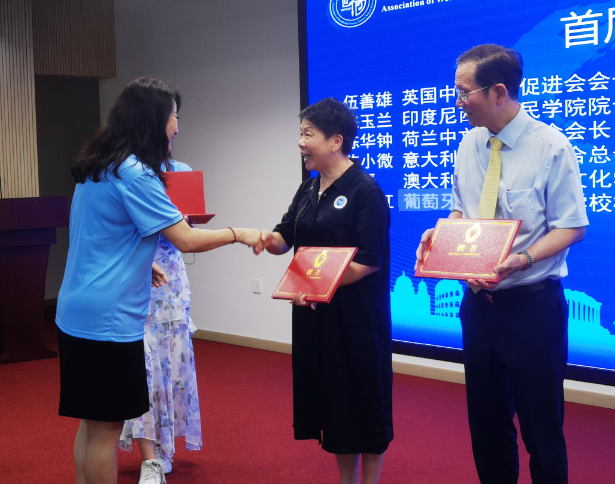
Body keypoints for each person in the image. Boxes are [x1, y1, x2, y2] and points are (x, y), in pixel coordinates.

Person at [56, 76, 266, 484]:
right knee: (107, 429)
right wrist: (241, 233)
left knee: (91, 423)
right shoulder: (136, 173)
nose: (177, 127)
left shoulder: (100, 166)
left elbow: (102, 236)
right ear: (153, 120)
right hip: (109, 320)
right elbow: (186, 239)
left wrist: (140, 263)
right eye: (174, 116)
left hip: (76, 311)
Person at [415, 44, 588, 484]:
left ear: (498, 92)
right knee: (487, 427)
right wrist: (442, 234)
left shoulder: (551, 147)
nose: (457, 101)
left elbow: (572, 228)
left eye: (464, 92)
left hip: (532, 308)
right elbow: (462, 209)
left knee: (541, 431)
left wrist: (522, 259)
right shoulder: (469, 143)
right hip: (478, 307)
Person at [263, 97, 392, 484]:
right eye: (300, 134)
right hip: (315, 315)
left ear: (336, 141)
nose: (300, 143)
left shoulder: (366, 191)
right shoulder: (308, 188)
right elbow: (285, 236)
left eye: (308, 134)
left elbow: (369, 261)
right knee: (335, 406)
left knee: (363, 401)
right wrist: (258, 238)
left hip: (355, 319)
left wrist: (315, 286)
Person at [118, 159, 202, 483]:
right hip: (138, 273)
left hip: (173, 278)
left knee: (171, 367)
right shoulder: (128, 173)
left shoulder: (180, 169)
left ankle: (165, 449)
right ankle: (149, 459)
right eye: (170, 131)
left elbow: (188, 230)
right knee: (144, 368)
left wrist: (185, 221)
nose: (174, 133)